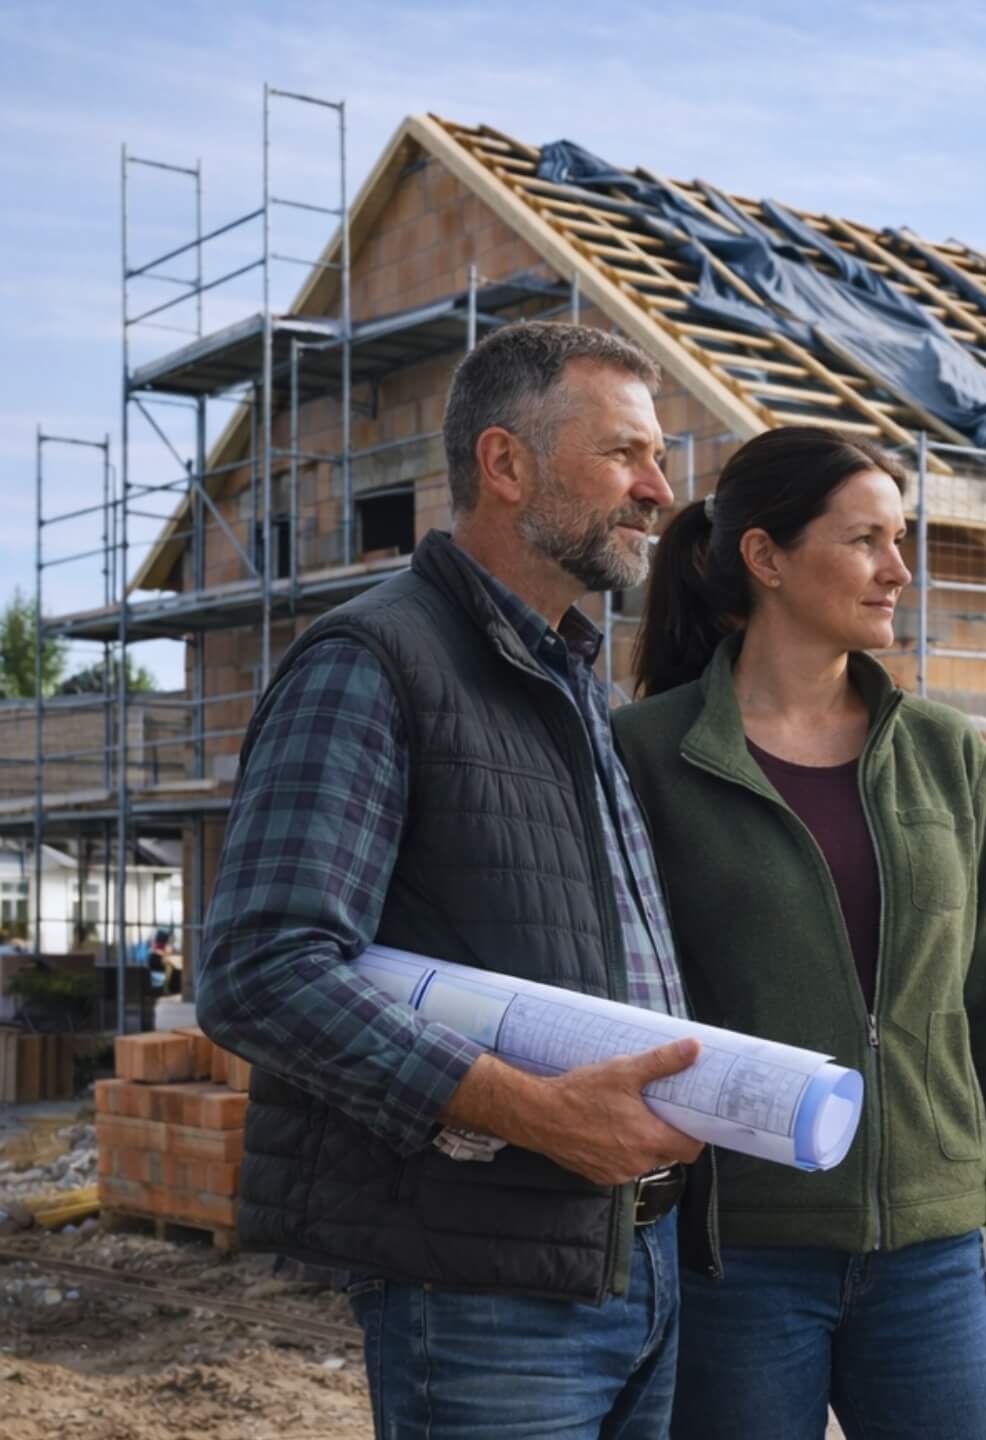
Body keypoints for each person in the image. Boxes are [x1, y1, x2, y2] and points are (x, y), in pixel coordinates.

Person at [197, 322, 713, 1440]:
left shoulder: (574, 682)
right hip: (483, 1288)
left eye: (657, 458)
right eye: (625, 454)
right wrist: (534, 1115)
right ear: (505, 463)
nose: (658, 491)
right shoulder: (373, 660)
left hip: (638, 1262)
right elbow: (259, 970)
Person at [616, 425, 986, 1439]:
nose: (897, 571)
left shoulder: (947, 755)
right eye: (864, 541)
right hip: (735, 1257)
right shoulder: (645, 753)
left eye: (899, 541)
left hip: (932, 1255)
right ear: (765, 557)